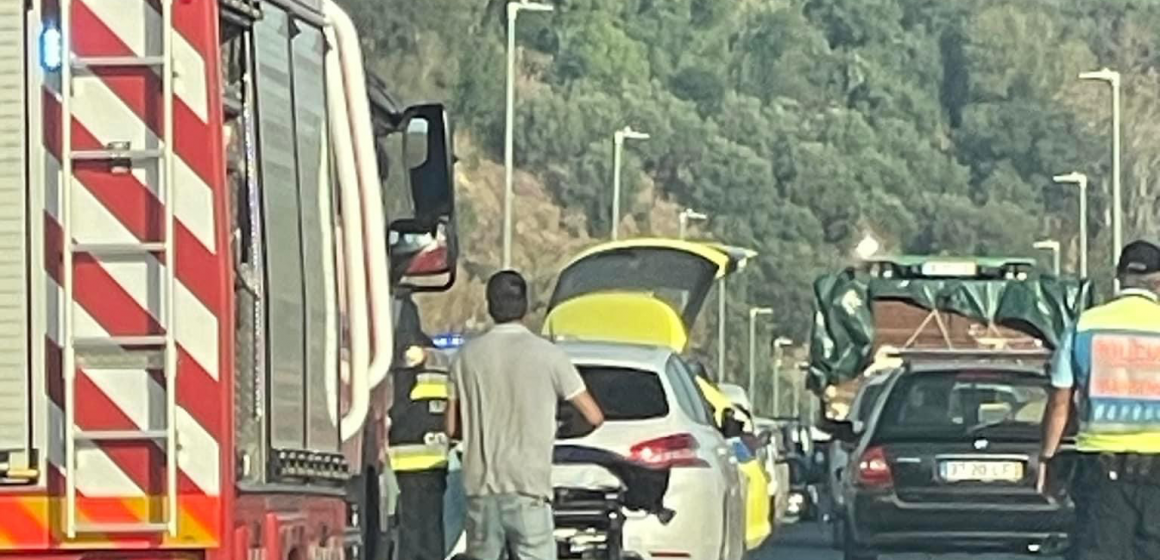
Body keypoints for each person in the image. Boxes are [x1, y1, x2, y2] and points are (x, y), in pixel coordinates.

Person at [446, 271, 605, 560]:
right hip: (529, 490)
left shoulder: (465, 357)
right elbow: (593, 415)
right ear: (525, 305)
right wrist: (564, 427)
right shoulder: (549, 355)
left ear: (489, 305)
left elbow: (452, 428)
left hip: (482, 492)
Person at [1040, 240, 1160, 560]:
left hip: (1101, 470)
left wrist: (1048, 459)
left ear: (1118, 278)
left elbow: (1060, 402)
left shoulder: (1085, 325)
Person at [387, 294, 450, 560]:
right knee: (431, 539)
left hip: (399, 464)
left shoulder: (393, 358)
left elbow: (394, 408)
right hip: (435, 466)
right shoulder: (438, 358)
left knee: (407, 542)